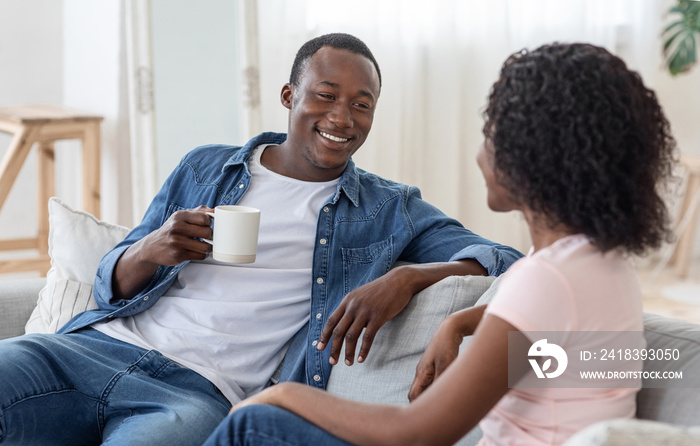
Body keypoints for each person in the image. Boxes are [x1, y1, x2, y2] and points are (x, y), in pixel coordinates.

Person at [0, 33, 522, 446]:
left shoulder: (387, 209)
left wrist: (409, 276)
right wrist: (150, 249)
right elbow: (109, 283)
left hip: (196, 395)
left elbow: (504, 258)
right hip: (88, 350)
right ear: (289, 95)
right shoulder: (206, 165)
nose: (342, 117)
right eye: (325, 95)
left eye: (362, 105)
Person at [201, 42, 679, 446]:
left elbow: (417, 431)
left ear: (534, 156)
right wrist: (460, 322)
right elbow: (555, 345)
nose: (479, 153)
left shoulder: (546, 280)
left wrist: (281, 394)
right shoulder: (598, 263)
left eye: (491, 135)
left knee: (254, 422)